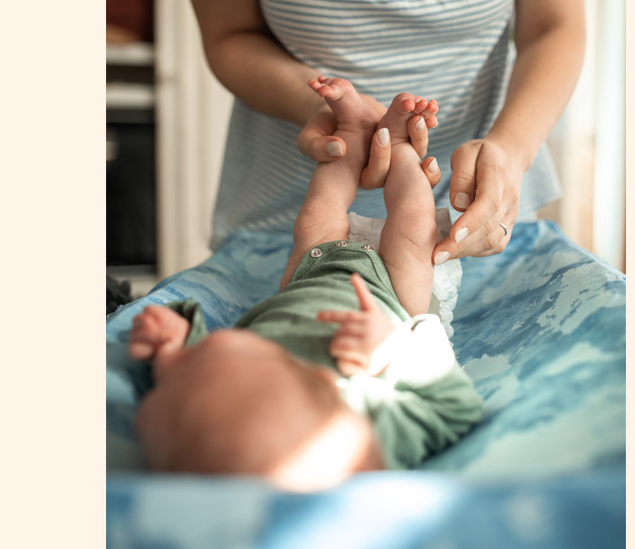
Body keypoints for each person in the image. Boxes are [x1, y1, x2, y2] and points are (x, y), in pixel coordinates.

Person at [128, 81, 483, 491]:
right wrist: (395, 352)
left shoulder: (215, 404)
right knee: (413, 224)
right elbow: (456, 408)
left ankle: (350, 134)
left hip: (304, 279)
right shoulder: (359, 427)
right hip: (389, 298)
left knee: (318, 215)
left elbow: (202, 375)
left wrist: (171, 346)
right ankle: (400, 145)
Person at [178, 0, 587, 264]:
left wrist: (512, 150)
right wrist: (327, 107)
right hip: (281, 226)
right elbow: (229, 34)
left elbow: (555, 25)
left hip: (471, 221)